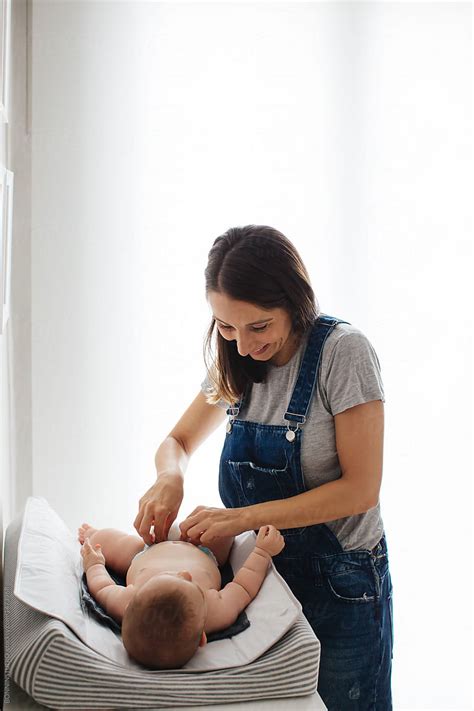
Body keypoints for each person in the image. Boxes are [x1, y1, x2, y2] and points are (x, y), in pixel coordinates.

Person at [134, 225, 393, 708]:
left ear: (294, 302)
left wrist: (241, 519)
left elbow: (361, 490)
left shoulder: (343, 353)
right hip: (262, 579)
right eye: (227, 328)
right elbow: (178, 440)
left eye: (259, 326)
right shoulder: (235, 361)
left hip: (342, 586)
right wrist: (170, 475)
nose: (245, 346)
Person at [78, 519, 284, 669]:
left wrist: (94, 564)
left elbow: (102, 587)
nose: (184, 573)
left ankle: (92, 535)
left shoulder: (126, 602)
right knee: (224, 531)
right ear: (202, 638)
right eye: (190, 581)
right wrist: (262, 553)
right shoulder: (213, 612)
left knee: (104, 540)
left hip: (144, 551)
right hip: (205, 552)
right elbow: (243, 586)